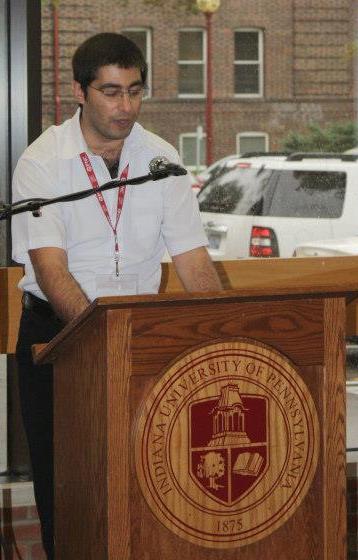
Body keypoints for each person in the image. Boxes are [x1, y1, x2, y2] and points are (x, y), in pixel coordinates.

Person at [11, 33, 222, 559]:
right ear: (79, 92)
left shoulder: (161, 159)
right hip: (59, 338)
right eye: (110, 92)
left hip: (141, 338)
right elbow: (51, 268)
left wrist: (224, 338)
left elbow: (194, 260)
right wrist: (101, 340)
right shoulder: (43, 161)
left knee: (146, 477)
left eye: (134, 91)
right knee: (68, 487)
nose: (125, 106)